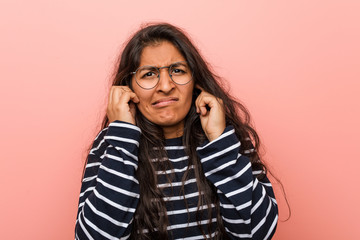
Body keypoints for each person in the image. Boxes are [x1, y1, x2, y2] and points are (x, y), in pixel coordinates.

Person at [75, 23, 278, 240]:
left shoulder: (226, 138)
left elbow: (259, 233)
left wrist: (219, 142)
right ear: (129, 88)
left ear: (195, 81)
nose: (165, 86)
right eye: (149, 74)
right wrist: (123, 139)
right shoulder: (112, 143)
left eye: (177, 71)